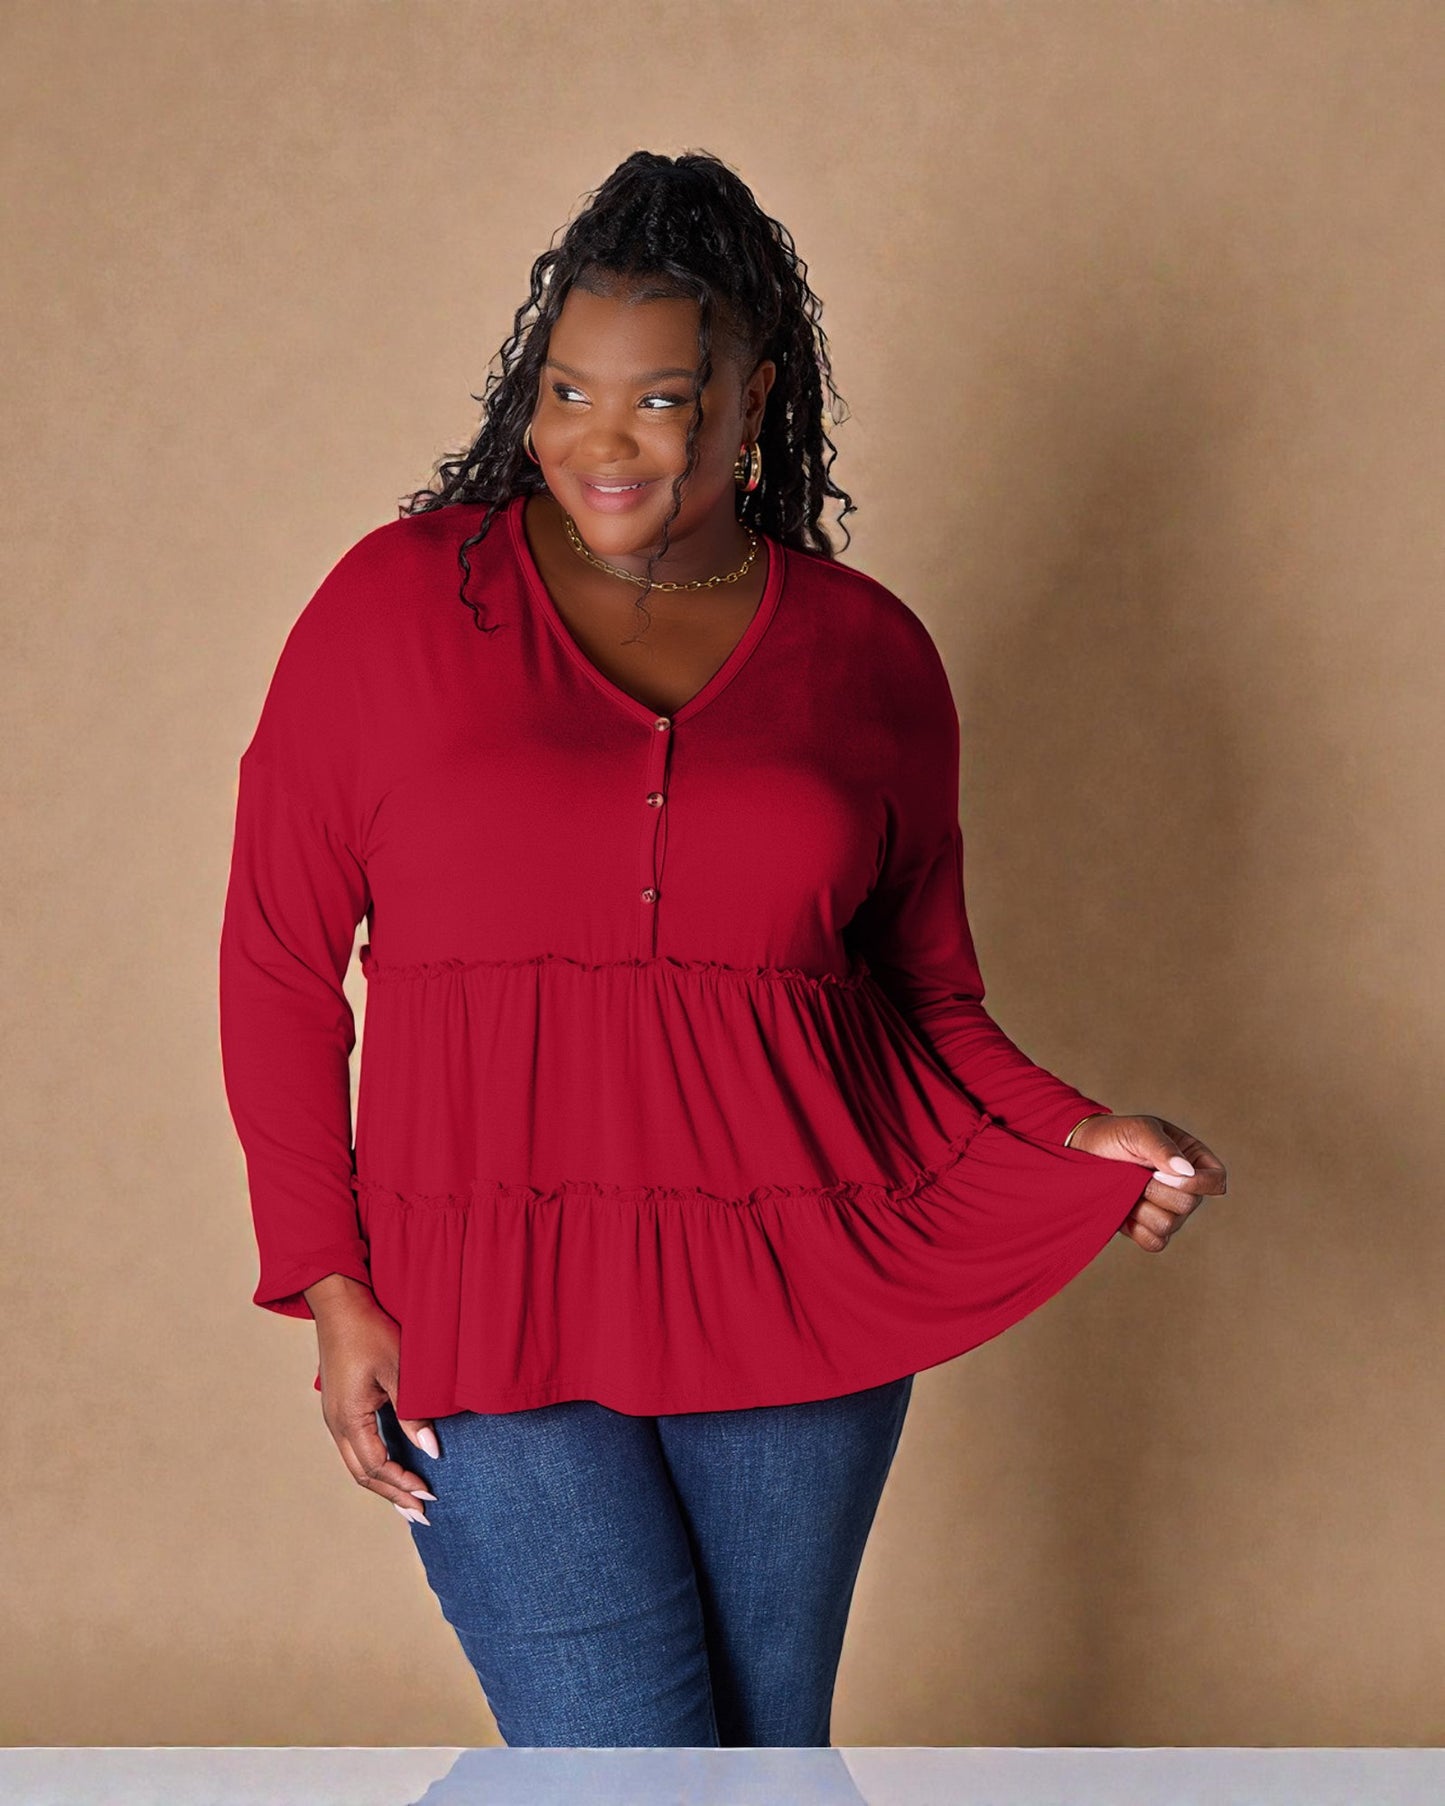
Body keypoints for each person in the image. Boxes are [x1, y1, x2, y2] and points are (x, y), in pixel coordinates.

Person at [218, 148, 1227, 1749]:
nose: (596, 441)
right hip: (491, 1282)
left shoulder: (866, 650)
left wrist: (1067, 1129)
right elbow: (277, 962)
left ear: (754, 402)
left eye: (660, 397)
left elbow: (922, 993)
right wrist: (333, 1280)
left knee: (762, 1757)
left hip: (796, 1275)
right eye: (563, 388)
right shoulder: (397, 607)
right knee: (618, 1754)